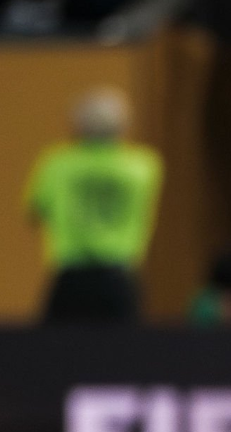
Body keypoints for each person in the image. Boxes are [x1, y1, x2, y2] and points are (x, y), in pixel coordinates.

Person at [25, 86, 162, 324]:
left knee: (54, 356)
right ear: (123, 124)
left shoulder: (57, 164)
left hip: (71, 279)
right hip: (119, 281)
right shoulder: (144, 166)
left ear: (76, 125)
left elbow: (36, 212)